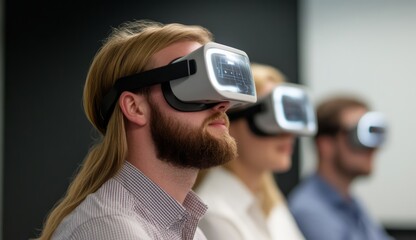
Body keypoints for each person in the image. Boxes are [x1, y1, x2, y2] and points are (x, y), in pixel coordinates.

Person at [38, 20, 257, 240]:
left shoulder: (189, 232)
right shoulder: (110, 228)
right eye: (194, 85)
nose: (222, 105)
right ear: (134, 107)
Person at [195, 63, 314, 240]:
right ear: (228, 123)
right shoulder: (216, 213)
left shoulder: (271, 203)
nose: (288, 134)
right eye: (272, 118)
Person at [289, 96, 393, 240]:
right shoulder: (310, 210)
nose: (372, 148)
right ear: (325, 144)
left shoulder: (351, 203)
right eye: (357, 135)